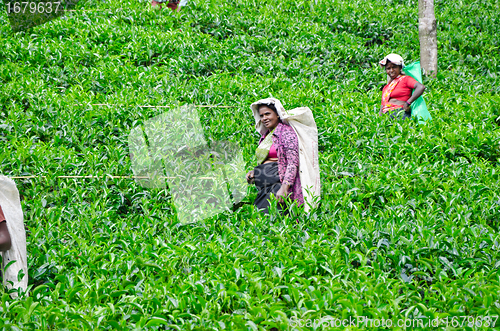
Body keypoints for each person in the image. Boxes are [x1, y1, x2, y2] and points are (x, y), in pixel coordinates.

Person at [246, 98, 321, 214]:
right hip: (265, 187)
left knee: (275, 220)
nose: (264, 118)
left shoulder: (286, 133)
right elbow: (267, 160)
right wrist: (254, 172)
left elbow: (292, 163)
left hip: (277, 186)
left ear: (277, 114)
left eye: (267, 114)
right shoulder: (266, 135)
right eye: (261, 116)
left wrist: (284, 188)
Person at [379, 54, 426, 120]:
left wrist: (407, 103)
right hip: (387, 115)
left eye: (394, 67)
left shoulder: (405, 79)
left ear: (400, 68)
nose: (391, 70)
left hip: (400, 113)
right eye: (388, 68)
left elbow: (421, 87)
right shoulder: (386, 87)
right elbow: (382, 106)